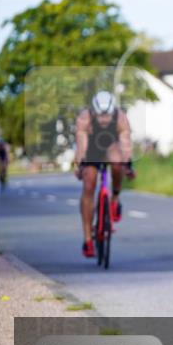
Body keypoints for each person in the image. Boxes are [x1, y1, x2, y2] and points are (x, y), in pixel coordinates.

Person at [73, 91, 135, 258]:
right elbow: (81, 146)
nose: (103, 120)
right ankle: (87, 239)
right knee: (89, 183)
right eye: (100, 116)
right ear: (93, 112)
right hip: (91, 149)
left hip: (111, 146)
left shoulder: (121, 118)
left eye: (107, 115)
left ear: (112, 111)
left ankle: (114, 199)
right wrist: (80, 165)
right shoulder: (84, 118)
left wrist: (128, 165)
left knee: (117, 163)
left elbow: (126, 144)